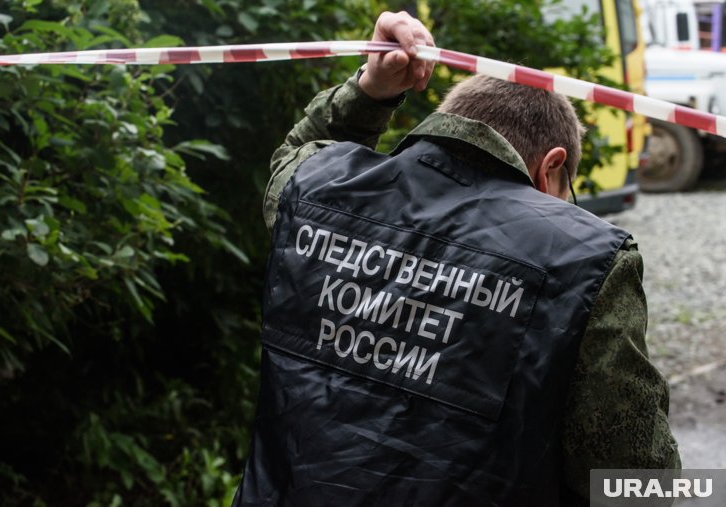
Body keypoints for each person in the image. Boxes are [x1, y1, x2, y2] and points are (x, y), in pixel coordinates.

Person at [233, 11, 680, 507]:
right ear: (551, 166)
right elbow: (640, 483)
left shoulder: (319, 192)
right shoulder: (587, 265)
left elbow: (294, 155)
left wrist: (371, 89)